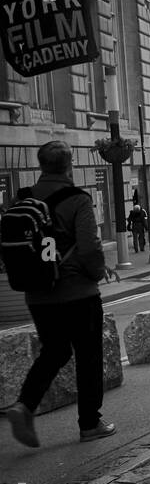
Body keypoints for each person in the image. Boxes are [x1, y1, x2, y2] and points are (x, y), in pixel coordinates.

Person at [5, 140, 116, 447]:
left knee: (54, 350)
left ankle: (24, 404)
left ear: (41, 166)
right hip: (78, 292)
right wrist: (97, 274)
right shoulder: (77, 199)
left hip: (38, 294)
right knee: (88, 355)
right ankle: (90, 423)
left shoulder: (22, 198)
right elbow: (90, 247)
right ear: (68, 166)